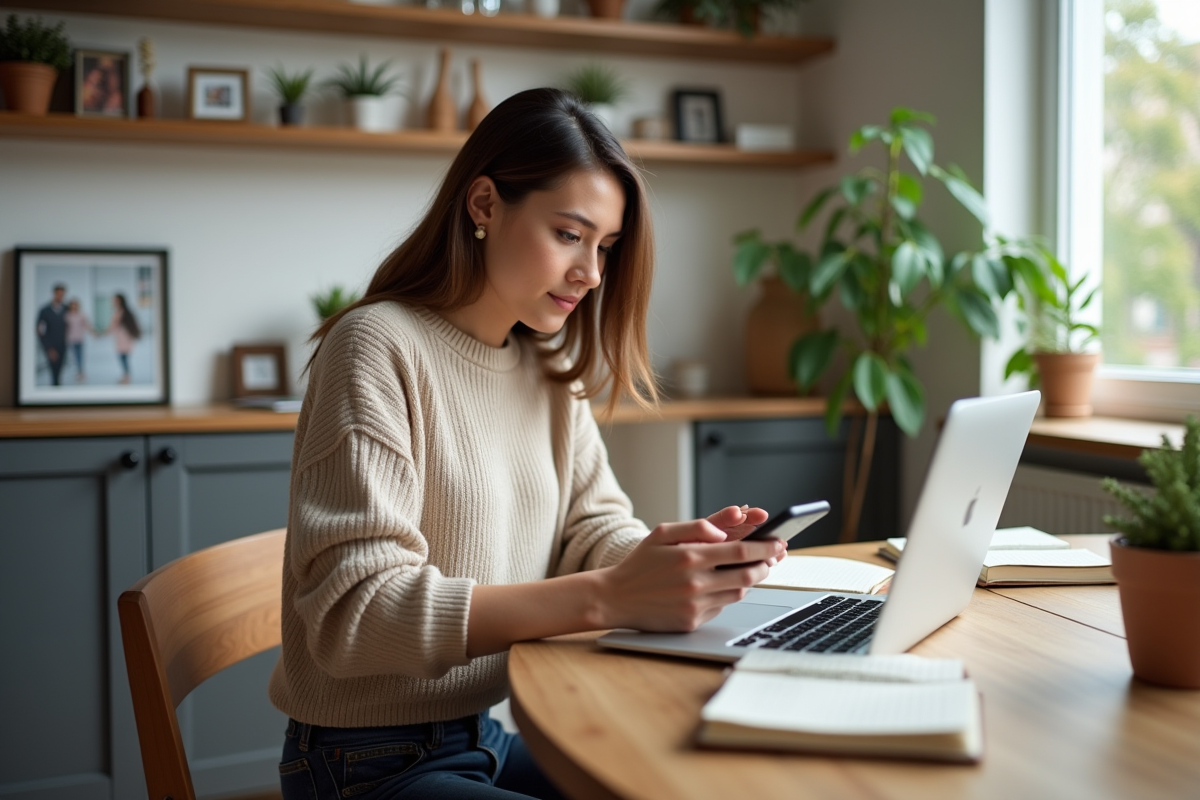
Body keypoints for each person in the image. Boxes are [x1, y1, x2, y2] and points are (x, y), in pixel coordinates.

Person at [269, 88, 784, 800]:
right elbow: (355, 615)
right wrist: (606, 597)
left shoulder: (545, 365)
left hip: (490, 732)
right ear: (483, 205)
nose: (593, 274)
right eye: (569, 235)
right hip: (367, 764)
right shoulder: (377, 348)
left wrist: (667, 562)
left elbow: (590, 526)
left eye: (605, 246)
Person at [35, 283, 68, 386]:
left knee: (60, 369)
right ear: (54, 294)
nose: (60, 296)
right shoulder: (45, 310)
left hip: (63, 344)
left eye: (62, 294)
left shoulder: (66, 309)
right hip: (51, 345)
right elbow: (39, 329)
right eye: (58, 294)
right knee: (53, 370)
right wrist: (48, 347)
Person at [105, 293, 140, 384]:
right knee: (124, 357)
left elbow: (113, 325)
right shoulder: (124, 311)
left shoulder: (120, 311)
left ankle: (126, 376)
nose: (113, 302)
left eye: (115, 300)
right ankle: (126, 375)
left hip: (123, 338)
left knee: (122, 357)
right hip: (125, 337)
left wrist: (102, 333)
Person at [64, 298, 94, 382]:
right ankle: (78, 371)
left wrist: (93, 333)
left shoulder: (81, 315)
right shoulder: (67, 315)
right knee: (74, 357)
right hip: (71, 339)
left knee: (80, 356)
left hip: (80, 338)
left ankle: (81, 372)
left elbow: (87, 325)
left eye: (75, 305)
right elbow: (65, 328)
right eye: (72, 305)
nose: (74, 307)